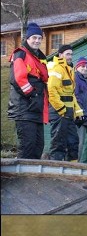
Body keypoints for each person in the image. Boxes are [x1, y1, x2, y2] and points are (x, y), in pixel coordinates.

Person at [7, 22, 49, 159]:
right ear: (27, 38)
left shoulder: (39, 58)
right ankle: (21, 179)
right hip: (24, 109)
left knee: (38, 146)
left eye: (39, 38)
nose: (37, 41)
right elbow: (18, 79)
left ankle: (32, 179)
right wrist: (32, 94)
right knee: (27, 146)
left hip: (35, 110)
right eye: (34, 38)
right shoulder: (21, 54)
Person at [47, 44, 85, 161]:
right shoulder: (57, 69)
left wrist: (78, 112)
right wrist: (61, 109)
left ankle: (72, 171)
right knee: (58, 144)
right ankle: (56, 172)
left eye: (71, 54)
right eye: (67, 54)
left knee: (73, 142)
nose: (70, 56)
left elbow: (71, 95)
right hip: (59, 113)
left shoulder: (69, 70)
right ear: (60, 55)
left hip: (68, 113)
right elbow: (52, 91)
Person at [74, 57, 87, 160]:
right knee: (78, 142)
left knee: (81, 143)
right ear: (77, 67)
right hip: (78, 117)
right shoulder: (76, 78)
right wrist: (80, 113)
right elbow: (75, 96)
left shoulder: (84, 80)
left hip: (84, 115)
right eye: (82, 66)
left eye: (86, 67)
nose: (85, 68)